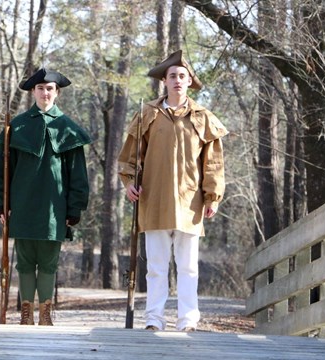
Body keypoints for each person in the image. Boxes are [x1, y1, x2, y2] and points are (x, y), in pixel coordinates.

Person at [117, 50, 227, 332]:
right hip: (153, 200)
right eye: (172, 76)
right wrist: (129, 183)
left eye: (182, 76)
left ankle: (188, 321)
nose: (178, 80)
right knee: (156, 266)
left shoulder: (202, 117)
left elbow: (213, 162)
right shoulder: (147, 115)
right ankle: (154, 319)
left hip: (190, 204)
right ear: (164, 81)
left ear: (190, 81)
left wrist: (212, 196)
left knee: (189, 267)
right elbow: (129, 156)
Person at [0, 68, 92, 326]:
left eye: (50, 89)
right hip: (22, 206)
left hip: (54, 209)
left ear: (57, 93)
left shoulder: (68, 129)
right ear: (33, 92)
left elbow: (78, 175)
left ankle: (45, 313)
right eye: (40, 88)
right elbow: (1, 170)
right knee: (24, 260)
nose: (45, 93)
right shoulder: (16, 127)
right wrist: (2, 204)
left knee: (48, 261)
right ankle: (26, 313)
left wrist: (74, 209)